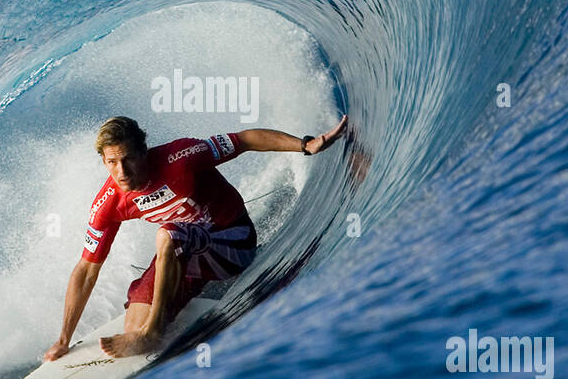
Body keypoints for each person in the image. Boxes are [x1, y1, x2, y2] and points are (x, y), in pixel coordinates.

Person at [43, 114, 349, 361]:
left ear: (143, 152)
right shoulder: (108, 203)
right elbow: (86, 270)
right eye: (112, 163)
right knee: (131, 324)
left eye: (128, 159)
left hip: (233, 243)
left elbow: (244, 140)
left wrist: (305, 145)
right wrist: (63, 339)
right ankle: (153, 322)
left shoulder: (181, 157)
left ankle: (152, 330)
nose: (121, 171)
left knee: (168, 235)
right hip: (190, 254)